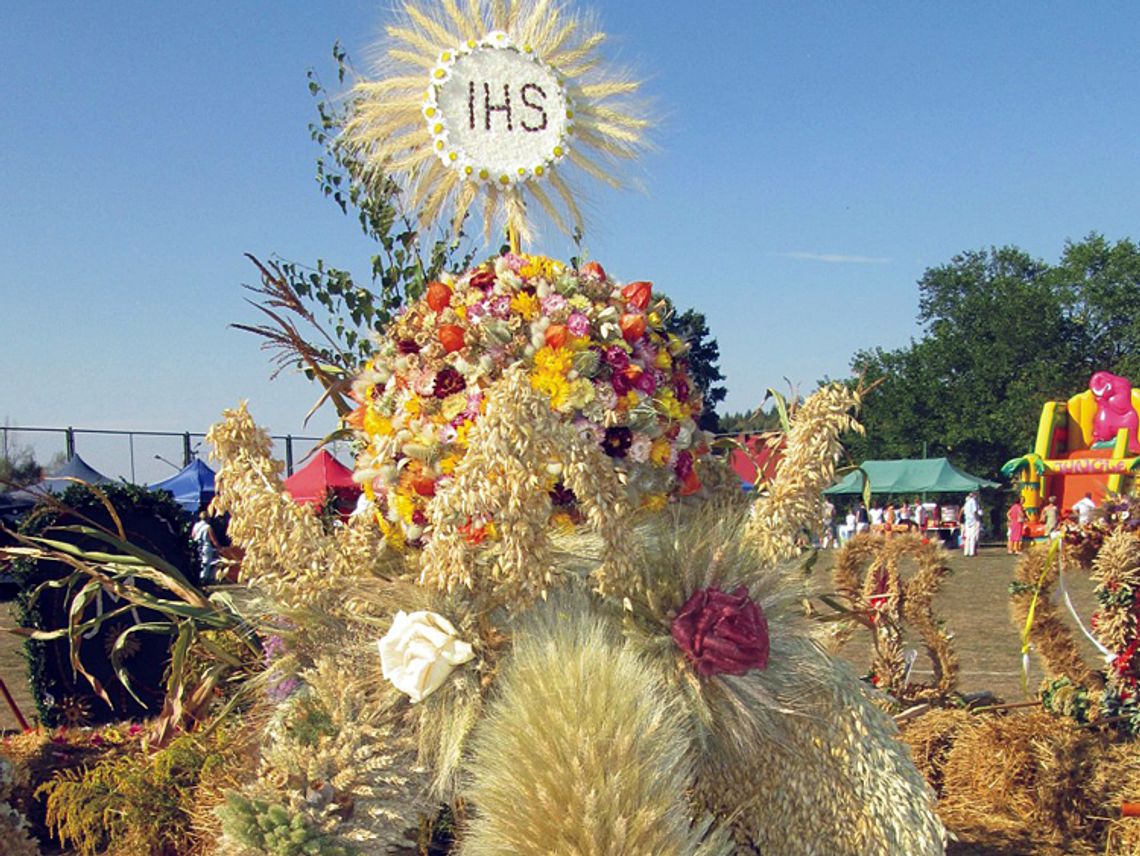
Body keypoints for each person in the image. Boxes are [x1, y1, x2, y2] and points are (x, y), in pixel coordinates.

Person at [192, 510, 221, 584]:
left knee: (199, 563)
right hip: (206, 547)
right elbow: (213, 539)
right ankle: (204, 579)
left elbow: (193, 535)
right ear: (208, 518)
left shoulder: (196, 525)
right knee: (206, 564)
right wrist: (219, 548)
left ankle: (197, 578)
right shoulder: (208, 527)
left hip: (197, 546)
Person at [961, 492, 982, 557]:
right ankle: (972, 552)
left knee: (967, 537)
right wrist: (976, 519)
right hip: (973, 520)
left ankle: (966, 552)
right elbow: (974, 511)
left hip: (967, 520)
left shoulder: (966, 503)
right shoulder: (973, 502)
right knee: (973, 537)